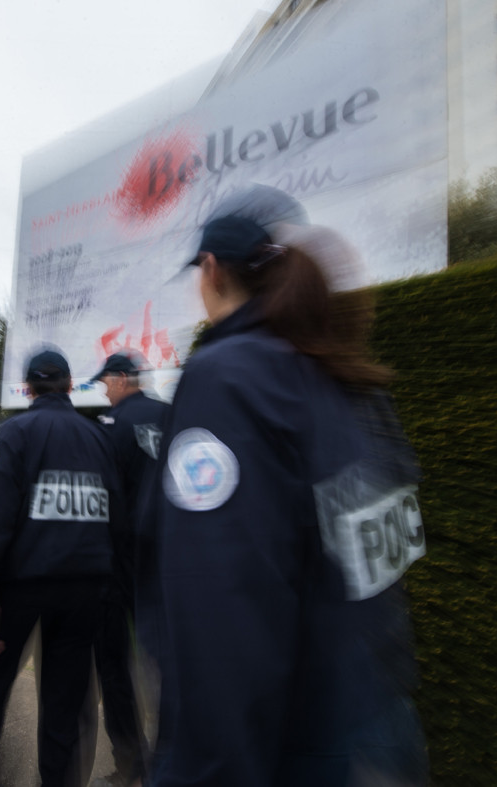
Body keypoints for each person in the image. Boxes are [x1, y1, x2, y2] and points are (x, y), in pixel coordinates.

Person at [144, 213, 429, 786]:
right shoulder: (348, 376)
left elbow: (221, 608)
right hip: (385, 726)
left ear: (211, 270)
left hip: (300, 747)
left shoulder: (227, 378)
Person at [0, 348, 123, 787]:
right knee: (65, 706)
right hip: (84, 591)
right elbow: (118, 517)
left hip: (18, 590)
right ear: (68, 386)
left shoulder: (14, 433)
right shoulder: (98, 439)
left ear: (28, 389)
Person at [86, 351, 168, 787]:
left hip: (119, 563)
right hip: (171, 561)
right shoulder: (172, 414)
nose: (105, 390)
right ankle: (174, 758)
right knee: (169, 662)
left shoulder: (110, 427)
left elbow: (102, 498)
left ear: (121, 379)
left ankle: (132, 765)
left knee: (115, 664)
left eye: (107, 383)